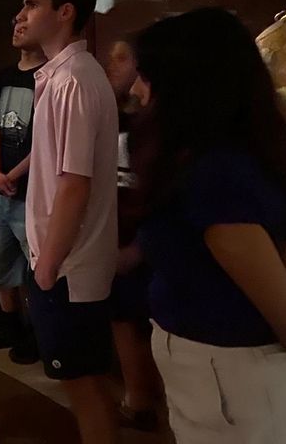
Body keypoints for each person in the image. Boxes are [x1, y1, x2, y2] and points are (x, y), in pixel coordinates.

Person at [130, 7, 286, 444]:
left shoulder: (217, 174)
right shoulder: (205, 162)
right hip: (216, 382)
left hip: (239, 388)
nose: (135, 89)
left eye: (146, 76)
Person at [15, 0, 119, 444]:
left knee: (83, 386)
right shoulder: (63, 75)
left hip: (67, 268)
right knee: (85, 382)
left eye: (33, 3)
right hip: (64, 264)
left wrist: (47, 267)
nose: (23, 13)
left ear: (66, 11)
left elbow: (74, 183)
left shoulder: (73, 79)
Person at [104, 36, 159, 432]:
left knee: (133, 316)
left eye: (122, 59)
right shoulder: (121, 114)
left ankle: (142, 398)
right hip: (124, 229)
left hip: (139, 232)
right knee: (124, 316)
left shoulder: (152, 125)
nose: (112, 66)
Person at [0, 20, 46, 365]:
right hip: (2, 190)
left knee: (35, 269)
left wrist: (14, 172)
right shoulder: (5, 76)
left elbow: (47, 138)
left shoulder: (50, 78)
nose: (17, 26)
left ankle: (37, 333)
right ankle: (11, 326)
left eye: (26, 20)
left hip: (31, 192)